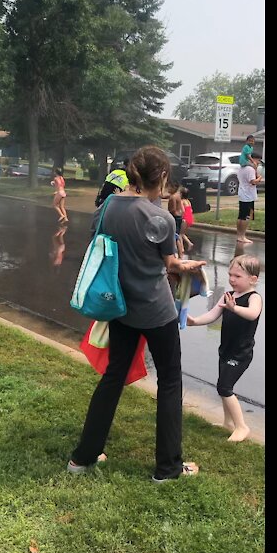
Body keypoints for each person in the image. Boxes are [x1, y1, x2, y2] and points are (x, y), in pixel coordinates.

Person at [68, 146, 207, 483]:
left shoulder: (105, 209)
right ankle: (168, 468)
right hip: (156, 311)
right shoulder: (160, 218)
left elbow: (100, 247)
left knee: (113, 377)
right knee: (170, 381)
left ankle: (82, 459)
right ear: (159, 177)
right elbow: (170, 264)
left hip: (118, 308)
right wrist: (185, 266)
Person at [187, 256, 263, 442]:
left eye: (237, 276)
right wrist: (195, 321)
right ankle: (228, 422)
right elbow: (212, 315)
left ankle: (241, 427)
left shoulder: (254, 298)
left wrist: (235, 308)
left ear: (253, 279)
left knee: (224, 387)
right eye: (230, 274)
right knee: (223, 384)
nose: (232, 279)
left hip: (241, 352)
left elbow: (253, 314)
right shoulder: (228, 296)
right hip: (226, 349)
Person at [236, 152, 262, 245]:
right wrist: (260, 178)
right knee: (246, 217)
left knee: (241, 216)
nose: (258, 163)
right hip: (248, 196)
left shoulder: (242, 168)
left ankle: (239, 235)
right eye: (258, 160)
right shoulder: (250, 169)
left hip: (242, 193)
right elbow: (253, 181)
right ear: (253, 159)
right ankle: (242, 236)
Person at [165, 181, 187, 256]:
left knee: (175, 236)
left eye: (169, 188)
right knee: (176, 235)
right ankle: (179, 254)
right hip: (179, 216)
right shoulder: (178, 196)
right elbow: (182, 209)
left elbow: (173, 209)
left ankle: (179, 254)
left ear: (174, 188)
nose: (168, 189)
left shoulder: (173, 197)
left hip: (174, 217)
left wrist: (168, 213)